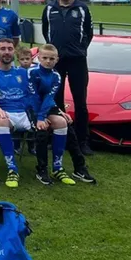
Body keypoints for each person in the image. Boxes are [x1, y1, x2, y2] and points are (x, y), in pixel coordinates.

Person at [29, 44, 96, 184]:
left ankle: (62, 168)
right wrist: (40, 118)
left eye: (52, 58)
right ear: (39, 58)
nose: (48, 61)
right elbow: (33, 97)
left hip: (45, 107)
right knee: (42, 129)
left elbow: (49, 97)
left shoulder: (56, 76)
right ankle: (42, 170)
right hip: (29, 108)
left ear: (57, 59)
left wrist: (58, 111)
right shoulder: (32, 72)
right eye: (45, 58)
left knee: (65, 124)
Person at [41, 0, 94, 156]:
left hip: (77, 61)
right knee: (55, 100)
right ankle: (57, 137)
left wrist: (79, 49)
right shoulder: (49, 9)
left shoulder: (82, 8)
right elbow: (46, 31)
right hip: (56, 62)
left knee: (80, 101)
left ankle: (82, 141)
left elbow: (89, 32)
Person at [0, 38, 36, 188]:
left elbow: (34, 95)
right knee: (2, 121)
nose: (6, 52)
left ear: (14, 52)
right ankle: (12, 168)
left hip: (24, 114)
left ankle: (54, 168)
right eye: (3, 49)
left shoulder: (23, 73)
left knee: (59, 122)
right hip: (4, 113)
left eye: (10, 49)